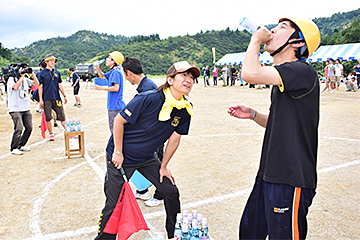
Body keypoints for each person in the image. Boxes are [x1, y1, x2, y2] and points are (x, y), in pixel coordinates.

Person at [230, 17, 321, 239]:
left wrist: (255, 41)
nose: (272, 30)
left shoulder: (301, 70)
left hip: (290, 177)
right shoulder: (283, 79)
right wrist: (253, 114)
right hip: (269, 174)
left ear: (298, 42)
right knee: (250, 233)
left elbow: (249, 74)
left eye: (282, 27)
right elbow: (277, 121)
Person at [94, 61, 200, 240]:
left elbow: (175, 138)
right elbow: (119, 121)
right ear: (170, 80)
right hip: (122, 156)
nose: (189, 80)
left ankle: (174, 235)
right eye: (184, 75)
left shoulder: (185, 109)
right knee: (114, 204)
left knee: (171, 191)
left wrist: (164, 166)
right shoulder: (150, 98)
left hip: (147, 157)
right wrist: (118, 152)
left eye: (192, 77)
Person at [122, 56, 164, 207]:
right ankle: (142, 191)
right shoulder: (144, 86)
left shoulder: (148, 88)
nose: (126, 79)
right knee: (143, 162)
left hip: (154, 135)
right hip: (149, 135)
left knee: (157, 164)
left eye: (125, 76)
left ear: (129, 73)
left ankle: (160, 195)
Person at [7, 65, 39, 155]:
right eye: (22, 69)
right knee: (19, 128)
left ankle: (21, 145)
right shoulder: (11, 79)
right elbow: (15, 87)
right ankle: (14, 147)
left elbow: (36, 83)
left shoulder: (25, 80)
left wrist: (32, 73)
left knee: (29, 127)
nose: (24, 70)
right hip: (15, 108)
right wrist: (21, 77)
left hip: (25, 107)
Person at [93, 51, 125, 133]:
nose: (106, 59)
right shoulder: (113, 71)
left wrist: (100, 88)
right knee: (115, 130)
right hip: (114, 106)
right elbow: (102, 76)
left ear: (114, 61)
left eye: (109, 58)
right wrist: (98, 68)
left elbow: (115, 88)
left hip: (115, 107)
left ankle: (116, 146)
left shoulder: (116, 72)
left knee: (114, 131)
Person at [38, 53, 67, 141]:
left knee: (62, 116)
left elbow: (59, 84)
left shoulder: (57, 72)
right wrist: (40, 100)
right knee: (48, 117)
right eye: (50, 61)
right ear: (46, 62)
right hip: (46, 98)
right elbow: (40, 86)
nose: (52, 62)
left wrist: (64, 95)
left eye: (53, 61)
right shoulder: (41, 73)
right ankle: (51, 134)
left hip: (57, 97)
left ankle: (68, 131)